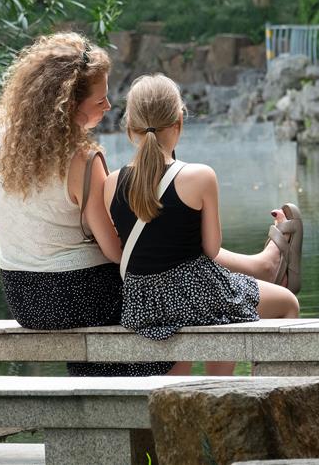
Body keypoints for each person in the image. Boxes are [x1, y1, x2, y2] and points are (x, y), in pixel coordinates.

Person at [0, 32, 171, 376]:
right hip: (76, 293)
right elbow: (115, 252)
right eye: (100, 100)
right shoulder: (83, 160)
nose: (108, 107)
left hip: (22, 297)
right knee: (169, 298)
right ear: (69, 104)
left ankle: (100, 397)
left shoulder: (4, 142)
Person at [103, 73, 301, 376]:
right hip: (197, 295)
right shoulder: (199, 177)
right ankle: (247, 387)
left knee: (210, 315)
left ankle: (265, 265)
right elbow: (210, 249)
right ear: (179, 122)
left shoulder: (111, 183)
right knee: (285, 303)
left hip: (142, 306)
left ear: (129, 127)